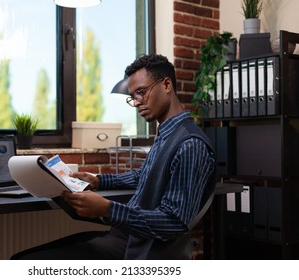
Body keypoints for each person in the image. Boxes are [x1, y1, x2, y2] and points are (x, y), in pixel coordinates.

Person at [11, 54, 216, 260]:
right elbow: (143, 175)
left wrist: (109, 209)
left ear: (167, 85)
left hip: (142, 249)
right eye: (133, 97)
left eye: (141, 92)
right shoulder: (167, 133)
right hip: (126, 237)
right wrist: (98, 180)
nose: (136, 103)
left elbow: (174, 223)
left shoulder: (190, 145)